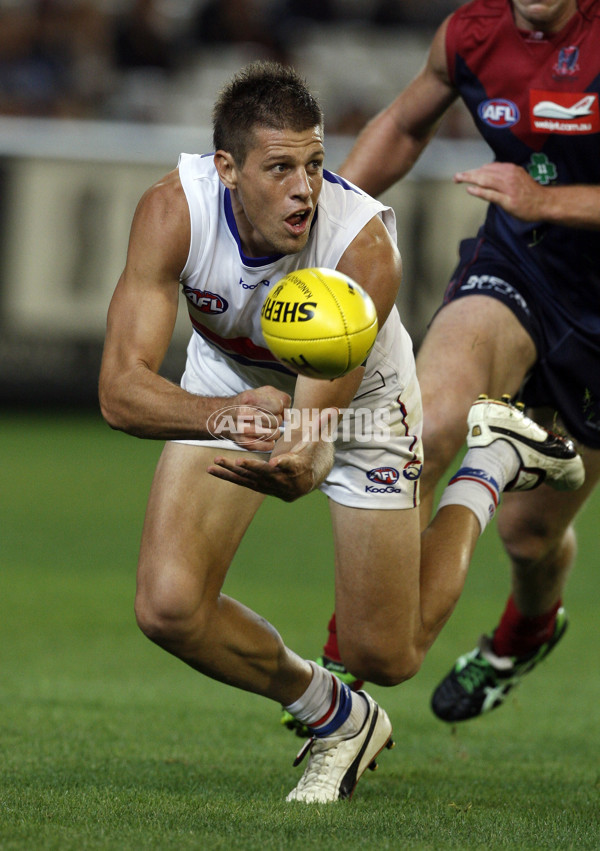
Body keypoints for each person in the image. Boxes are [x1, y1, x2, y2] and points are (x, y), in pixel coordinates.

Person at [98, 60, 582, 803]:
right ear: (227, 168)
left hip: (363, 404)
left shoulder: (362, 249)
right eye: (281, 167)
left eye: (317, 163)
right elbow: (120, 391)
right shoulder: (174, 212)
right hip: (234, 382)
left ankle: (488, 464)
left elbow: (312, 440)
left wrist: (300, 448)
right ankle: (336, 714)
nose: (305, 187)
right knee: (168, 606)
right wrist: (223, 414)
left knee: (387, 652)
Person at [304, 0, 600, 726]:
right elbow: (405, 124)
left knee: (528, 535)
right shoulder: (472, 33)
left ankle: (524, 632)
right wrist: (326, 224)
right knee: (428, 424)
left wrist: (546, 198)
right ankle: (349, 665)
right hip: (521, 266)